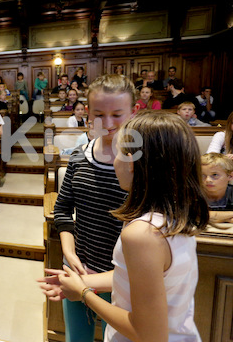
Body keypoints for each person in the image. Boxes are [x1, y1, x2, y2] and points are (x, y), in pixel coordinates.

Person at [39, 111, 209, 342]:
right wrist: (82, 281)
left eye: (118, 152)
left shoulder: (142, 234)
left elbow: (148, 334)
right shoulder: (175, 215)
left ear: (131, 163)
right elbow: (133, 278)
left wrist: (84, 293)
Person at [50, 74, 135, 342]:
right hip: (77, 270)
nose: (108, 124)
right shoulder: (78, 157)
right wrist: (69, 253)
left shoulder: (141, 166)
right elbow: (62, 209)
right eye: (99, 114)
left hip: (121, 279)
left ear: (133, 113)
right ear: (88, 114)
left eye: (117, 114)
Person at [201, 153, 233, 222]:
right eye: (203, 175)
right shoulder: (194, 193)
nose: (208, 180)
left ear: (230, 176)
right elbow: (196, 216)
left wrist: (218, 217)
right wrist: (229, 217)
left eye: (215, 175)